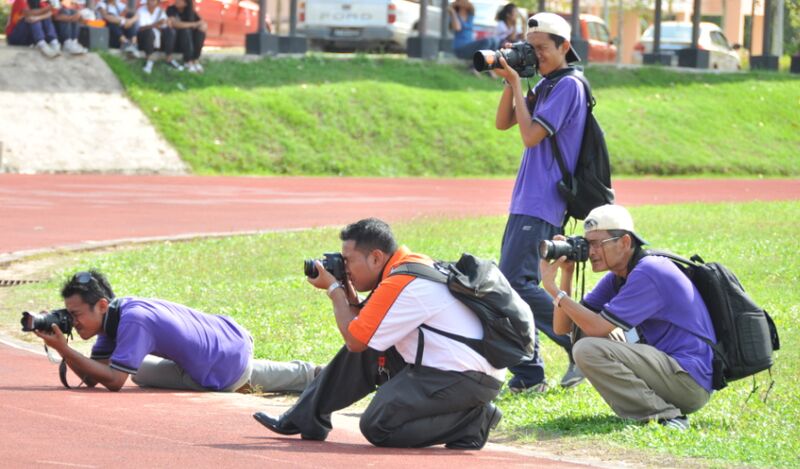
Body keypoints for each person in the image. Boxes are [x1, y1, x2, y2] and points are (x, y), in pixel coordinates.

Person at [253, 218, 505, 449]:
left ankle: (475, 420)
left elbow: (354, 340)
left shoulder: (402, 280)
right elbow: (362, 332)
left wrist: (334, 290)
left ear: (375, 257)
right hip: (444, 368)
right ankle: (306, 417)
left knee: (378, 425)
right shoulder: (403, 269)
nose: (344, 267)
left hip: (467, 378)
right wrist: (346, 290)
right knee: (368, 348)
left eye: (348, 260)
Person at [539, 204, 716, 430]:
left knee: (587, 348)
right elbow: (563, 327)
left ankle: (666, 416)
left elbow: (598, 328)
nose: (590, 252)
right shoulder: (618, 276)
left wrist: (553, 290)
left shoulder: (649, 271)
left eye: (596, 244)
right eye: (586, 244)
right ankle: (657, 409)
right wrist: (567, 274)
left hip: (689, 381)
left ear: (624, 242)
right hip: (668, 371)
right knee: (582, 336)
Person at [493, 11, 586, 392]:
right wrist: (509, 78)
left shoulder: (568, 86)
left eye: (542, 49)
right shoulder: (546, 84)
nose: (536, 55)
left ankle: (579, 340)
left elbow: (531, 136)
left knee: (514, 282)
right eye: (529, 49)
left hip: (543, 201)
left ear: (564, 47)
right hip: (527, 201)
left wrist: (517, 82)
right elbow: (503, 123)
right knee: (513, 285)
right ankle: (530, 373)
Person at [34, 270, 319, 393]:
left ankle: (315, 375)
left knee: (136, 371)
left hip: (224, 365)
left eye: (76, 315)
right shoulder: (117, 313)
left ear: (101, 305)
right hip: (229, 334)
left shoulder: (134, 322)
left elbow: (113, 382)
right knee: (139, 370)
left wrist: (64, 349)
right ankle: (310, 375)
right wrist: (64, 348)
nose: (74, 322)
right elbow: (92, 376)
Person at [135, 0, 178, 74]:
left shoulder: (160, 12)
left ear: (157, 3)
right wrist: (155, 24)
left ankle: (169, 58)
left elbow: (165, 27)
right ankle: (149, 61)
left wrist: (167, 23)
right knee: (149, 32)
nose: (151, 2)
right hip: (144, 40)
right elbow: (140, 28)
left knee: (170, 32)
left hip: (158, 39)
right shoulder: (140, 11)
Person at [166, 0, 206, 73]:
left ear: (185, 3)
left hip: (190, 42)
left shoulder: (190, 12)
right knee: (185, 30)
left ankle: (195, 59)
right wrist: (192, 24)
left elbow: (202, 23)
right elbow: (174, 24)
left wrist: (200, 26)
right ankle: (188, 61)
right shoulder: (171, 9)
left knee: (200, 32)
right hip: (176, 42)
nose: (176, 1)